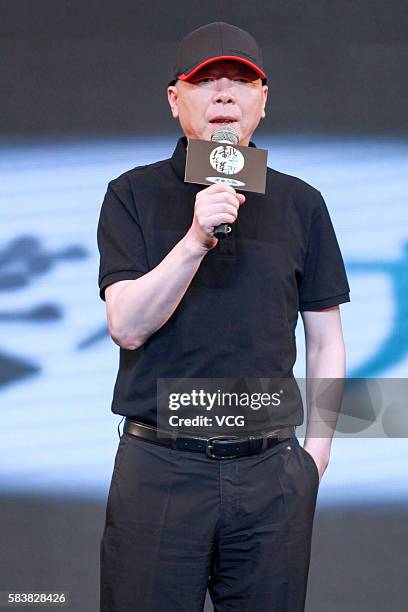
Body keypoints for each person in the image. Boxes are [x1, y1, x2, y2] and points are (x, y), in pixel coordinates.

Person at [97, 21, 350, 612]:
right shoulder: (131, 194)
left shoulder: (302, 204)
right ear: (174, 99)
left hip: (271, 475)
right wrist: (193, 239)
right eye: (205, 80)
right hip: (160, 466)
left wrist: (315, 459)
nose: (224, 93)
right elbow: (127, 325)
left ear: (263, 101)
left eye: (241, 80)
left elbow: (326, 341)